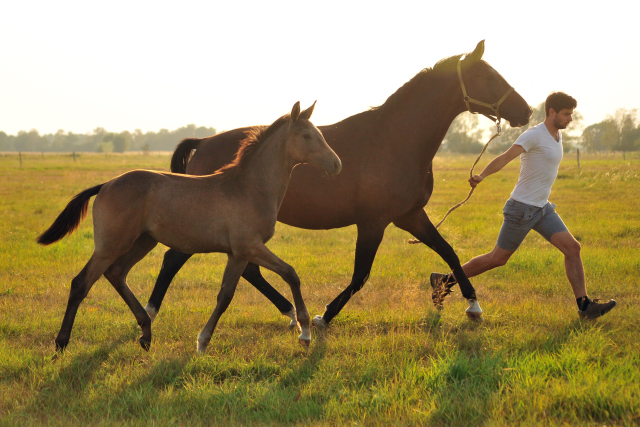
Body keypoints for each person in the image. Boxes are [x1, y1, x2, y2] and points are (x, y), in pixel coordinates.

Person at [431, 92, 616, 320]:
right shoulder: (534, 135)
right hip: (522, 208)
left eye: (571, 114)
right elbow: (505, 157)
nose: (570, 119)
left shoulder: (557, 134)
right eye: (566, 114)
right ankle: (445, 281)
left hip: (542, 209)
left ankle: (584, 306)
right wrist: (481, 175)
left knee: (573, 248)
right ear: (552, 112)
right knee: (497, 259)